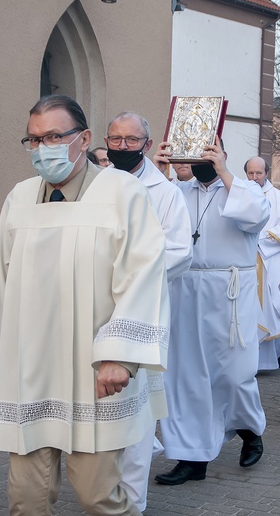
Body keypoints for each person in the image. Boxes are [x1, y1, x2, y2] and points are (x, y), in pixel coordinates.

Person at [0, 94, 170, 515]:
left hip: (96, 373)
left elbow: (143, 275)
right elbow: (6, 279)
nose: (41, 148)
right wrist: (6, 359)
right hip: (33, 372)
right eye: (33, 139)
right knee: (25, 499)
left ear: (84, 138)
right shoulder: (19, 197)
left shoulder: (123, 193)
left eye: (53, 136)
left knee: (98, 496)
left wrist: (120, 357)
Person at [153, 136, 270, 485]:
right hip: (184, 289)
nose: (197, 159)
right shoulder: (176, 193)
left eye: (207, 152)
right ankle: (192, 457)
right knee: (186, 376)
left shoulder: (244, 189)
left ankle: (249, 429)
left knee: (235, 372)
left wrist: (223, 170)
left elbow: (257, 215)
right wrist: (158, 175)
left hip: (230, 291)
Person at [105, 111, 192, 512]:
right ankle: (103, 488)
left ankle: (132, 501)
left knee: (137, 406)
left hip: (144, 310)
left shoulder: (166, 193)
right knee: (103, 402)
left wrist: (128, 274)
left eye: (130, 140)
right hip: (98, 308)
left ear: (148, 144)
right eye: (115, 139)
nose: (122, 147)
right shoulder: (96, 186)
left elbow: (179, 252)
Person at [244, 156, 280, 370]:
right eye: (250, 173)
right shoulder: (239, 194)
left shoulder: (279, 198)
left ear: (267, 173)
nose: (255, 178)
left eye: (259, 173)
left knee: (273, 308)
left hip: (270, 261)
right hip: (245, 259)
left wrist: (262, 238)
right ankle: (248, 360)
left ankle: (272, 355)